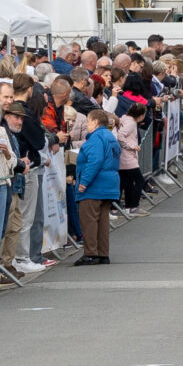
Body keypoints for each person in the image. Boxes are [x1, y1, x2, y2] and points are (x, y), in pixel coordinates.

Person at [73, 108, 119, 265]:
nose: (87, 125)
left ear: (95, 122)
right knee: (102, 221)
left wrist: (84, 182)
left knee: (89, 220)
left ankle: (91, 253)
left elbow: (95, 161)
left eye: (88, 121)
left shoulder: (96, 138)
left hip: (94, 186)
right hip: (109, 184)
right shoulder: (110, 136)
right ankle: (102, 253)